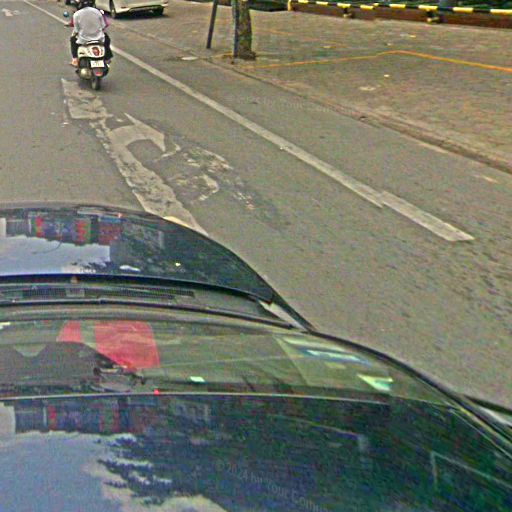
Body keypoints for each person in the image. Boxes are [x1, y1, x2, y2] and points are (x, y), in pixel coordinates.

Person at [69, 0, 112, 67]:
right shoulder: (98, 12)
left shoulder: (76, 14)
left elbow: (76, 30)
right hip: (99, 39)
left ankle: (75, 59)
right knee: (107, 39)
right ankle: (107, 58)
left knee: (72, 39)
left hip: (84, 40)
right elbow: (103, 26)